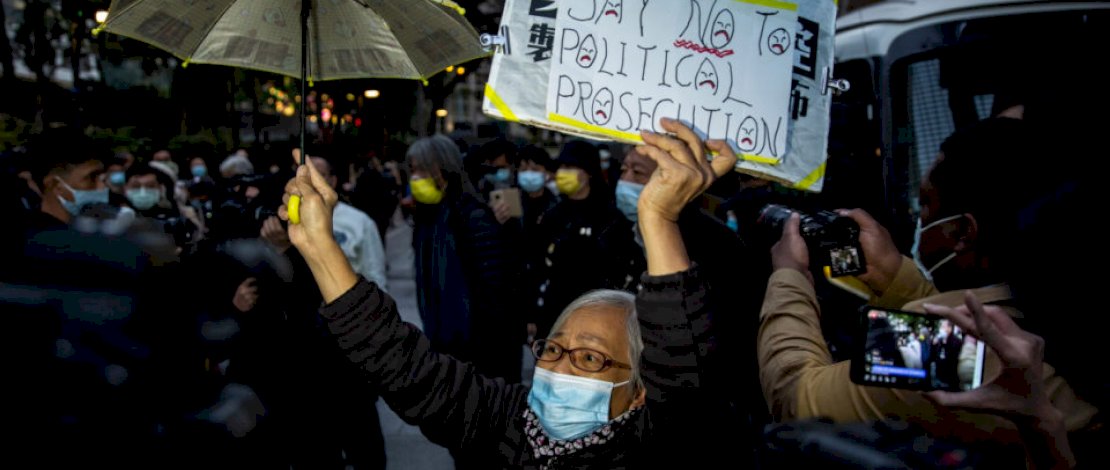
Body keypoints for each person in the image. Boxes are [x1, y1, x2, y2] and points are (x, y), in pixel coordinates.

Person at [275, 118, 736, 468]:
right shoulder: (513, 425)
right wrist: (319, 248)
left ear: (639, 392)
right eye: (553, 350)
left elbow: (683, 370)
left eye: (590, 358)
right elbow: (405, 367)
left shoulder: (650, 446)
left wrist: (658, 219)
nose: (557, 370)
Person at [757, 118, 1100, 460]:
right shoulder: (1054, 304)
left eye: (925, 204)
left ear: (963, 232)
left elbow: (798, 401)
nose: (920, 219)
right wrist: (894, 277)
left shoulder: (956, 343)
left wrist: (790, 276)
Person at [406, 135, 521, 383]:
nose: (415, 177)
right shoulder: (427, 219)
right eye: (412, 170)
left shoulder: (471, 216)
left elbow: (494, 291)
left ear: (443, 169)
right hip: (443, 347)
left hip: (476, 352)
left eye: (422, 169)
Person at [530, 140, 636, 339]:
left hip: (597, 314)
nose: (562, 173)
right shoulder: (553, 215)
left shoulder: (610, 217)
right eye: (560, 167)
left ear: (588, 172)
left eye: (569, 167)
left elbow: (619, 267)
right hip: (555, 314)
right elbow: (537, 266)